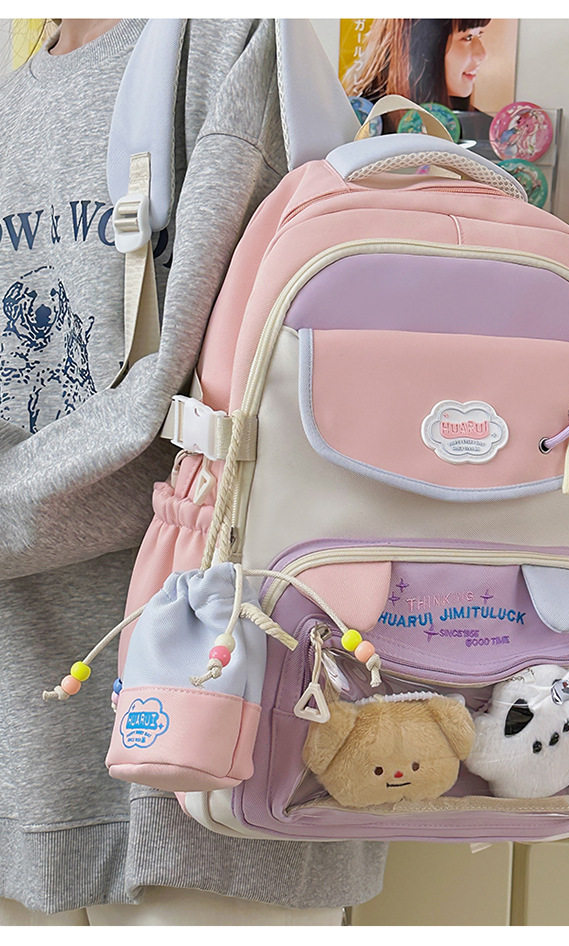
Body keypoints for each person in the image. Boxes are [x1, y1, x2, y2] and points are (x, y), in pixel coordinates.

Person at [0, 18, 387, 925]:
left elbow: (223, 425)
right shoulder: (18, 91)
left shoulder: (235, 40)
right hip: (30, 742)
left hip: (217, 758)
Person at [342, 18, 490, 114]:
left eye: (480, 35)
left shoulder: (484, 132)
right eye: (468, 37)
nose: (482, 54)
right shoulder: (363, 122)